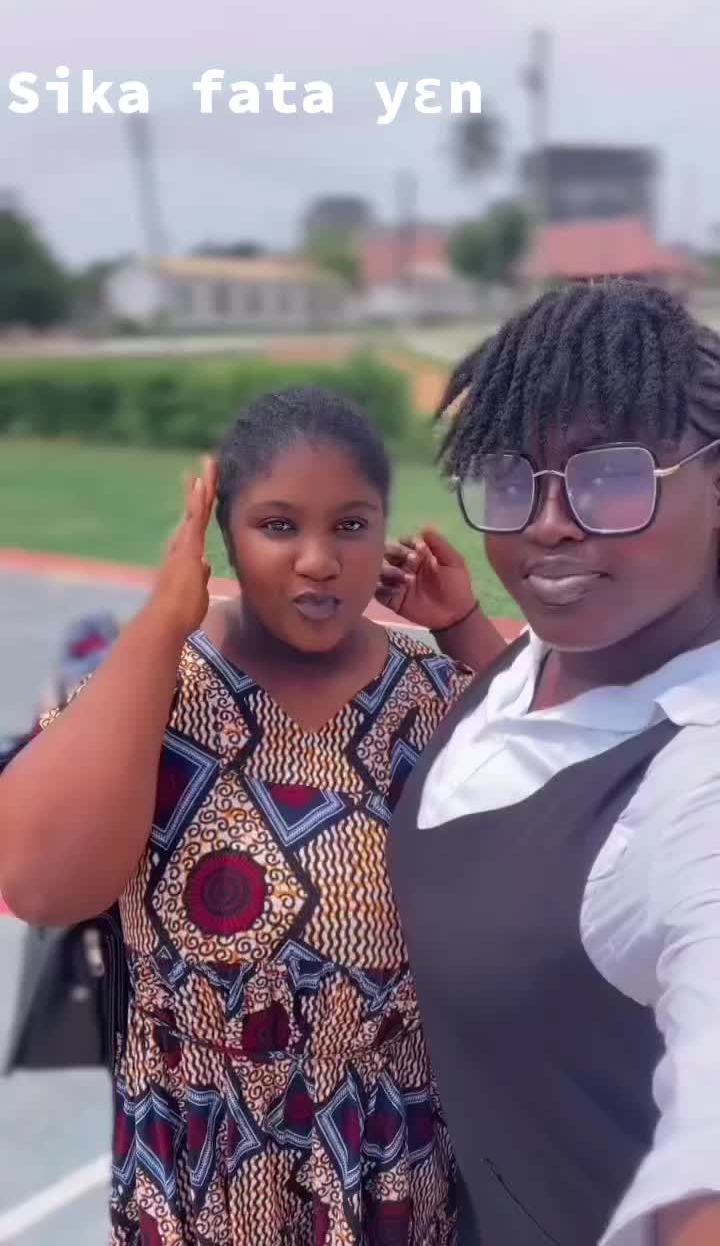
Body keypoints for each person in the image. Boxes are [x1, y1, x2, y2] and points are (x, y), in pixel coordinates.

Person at [0, 387, 504, 1246]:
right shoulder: (159, 691)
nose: (319, 560)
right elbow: (44, 887)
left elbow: (570, 818)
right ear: (222, 532)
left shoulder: (432, 695)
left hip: (392, 1160)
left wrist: (465, 631)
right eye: (278, 526)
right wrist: (163, 622)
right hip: (198, 1165)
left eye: (351, 525)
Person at [384, 280, 720, 1246]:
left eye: (609, 475)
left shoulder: (694, 784)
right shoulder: (548, 658)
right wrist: (463, 628)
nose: (546, 523)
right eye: (510, 478)